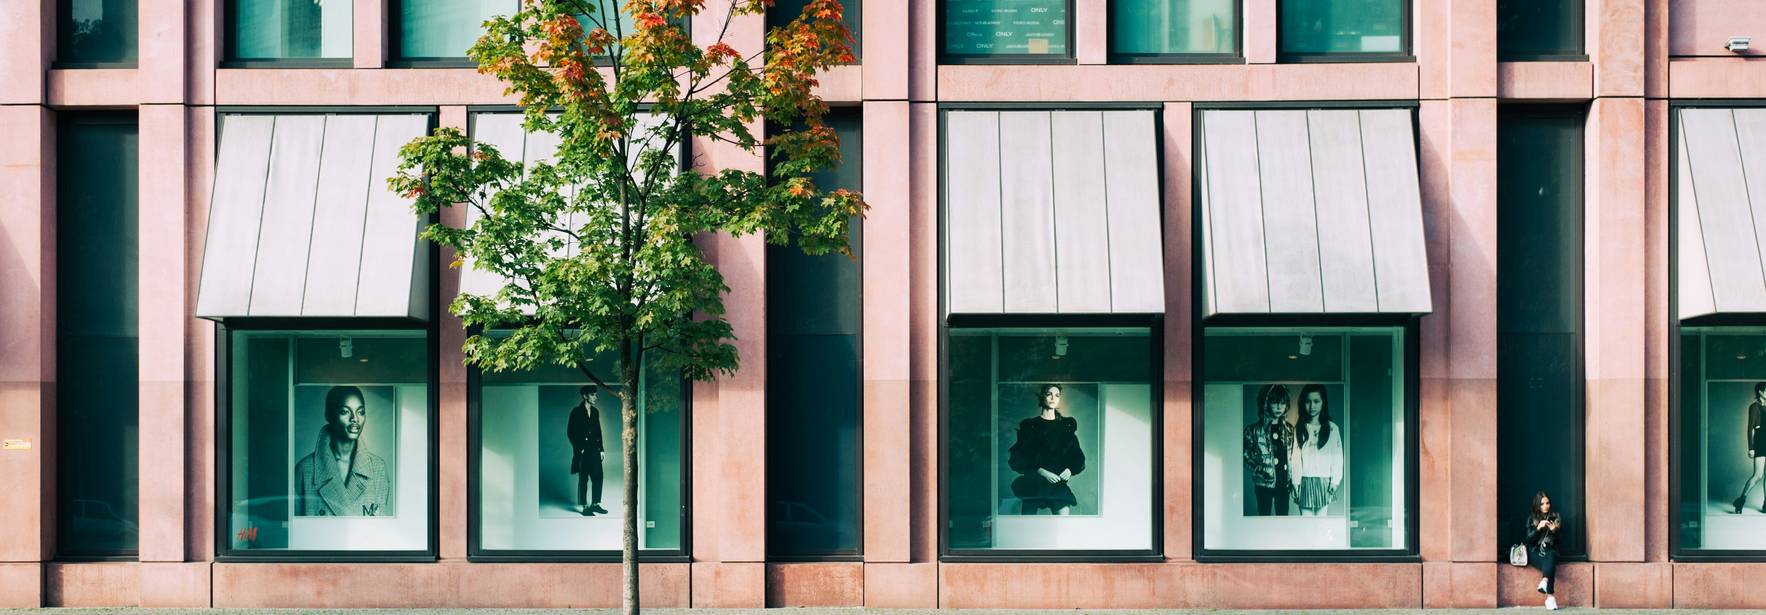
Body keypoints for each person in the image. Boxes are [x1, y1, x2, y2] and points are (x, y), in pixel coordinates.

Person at [293, 385, 392, 516]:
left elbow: (382, 530)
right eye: (345, 411)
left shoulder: (378, 469)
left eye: (360, 412)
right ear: (328, 416)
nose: (355, 419)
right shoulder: (305, 469)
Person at [1007, 384, 1086, 515]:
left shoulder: (1066, 425)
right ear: (1042, 397)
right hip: (1034, 484)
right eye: (1049, 394)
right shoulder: (1030, 426)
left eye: (1057, 395)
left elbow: (1076, 455)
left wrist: (1070, 469)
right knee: (1028, 525)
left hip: (1057, 485)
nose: (1053, 398)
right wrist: (1042, 472)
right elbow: (1020, 456)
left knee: (1063, 526)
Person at [1288, 384, 1343, 517]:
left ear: (1323, 403)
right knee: (1306, 523)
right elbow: (1295, 458)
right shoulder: (1300, 428)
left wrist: (1335, 481)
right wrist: (1295, 482)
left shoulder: (1332, 428)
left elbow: (1337, 457)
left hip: (1324, 481)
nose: (1312, 406)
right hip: (1305, 481)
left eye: (1316, 401)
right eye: (1308, 401)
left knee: (1321, 523)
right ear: (1303, 403)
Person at [1243, 384, 1295, 516]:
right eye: (1274, 402)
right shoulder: (1253, 430)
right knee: (1263, 516)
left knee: (1283, 518)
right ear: (1265, 403)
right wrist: (1259, 470)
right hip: (1263, 484)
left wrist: (1292, 479)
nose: (1279, 407)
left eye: (1283, 403)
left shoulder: (1289, 429)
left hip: (1284, 483)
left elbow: (1294, 455)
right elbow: (1245, 455)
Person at [567, 385, 607, 516]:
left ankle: (595, 504)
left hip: (595, 450)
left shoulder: (595, 412)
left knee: (598, 477)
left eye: (596, 394)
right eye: (592, 394)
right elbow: (570, 432)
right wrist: (580, 448)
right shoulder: (576, 411)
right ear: (585, 396)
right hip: (583, 451)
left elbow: (598, 431)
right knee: (583, 479)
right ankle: (585, 507)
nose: (596, 397)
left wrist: (601, 449)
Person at [1524, 490, 1564, 610]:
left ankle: (1544, 581)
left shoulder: (1555, 517)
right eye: (1542, 504)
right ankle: (1550, 597)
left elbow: (1560, 541)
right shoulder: (1531, 518)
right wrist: (1538, 528)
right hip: (1535, 553)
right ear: (1537, 505)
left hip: (1550, 552)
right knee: (1549, 565)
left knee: (1551, 556)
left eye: (1547, 503)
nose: (1545, 506)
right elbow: (1529, 540)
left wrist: (1554, 531)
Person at [1731, 382, 1766, 514]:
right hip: (1761, 442)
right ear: (1761, 392)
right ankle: (1740, 500)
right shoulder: (1754, 407)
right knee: (1758, 475)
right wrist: (1750, 448)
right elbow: (1749, 428)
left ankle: (1765, 504)